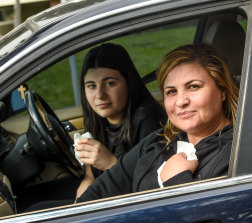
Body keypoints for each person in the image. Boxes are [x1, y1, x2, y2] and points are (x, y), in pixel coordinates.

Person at [76, 43, 239, 203]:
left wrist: (175, 182)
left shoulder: (237, 153)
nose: (181, 101)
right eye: (171, 91)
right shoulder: (158, 141)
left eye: (193, 86)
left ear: (222, 91)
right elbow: (97, 194)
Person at [75, 43, 166, 198]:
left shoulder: (149, 121)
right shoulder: (97, 117)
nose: (99, 95)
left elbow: (150, 189)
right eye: (91, 86)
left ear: (128, 83)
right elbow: (90, 176)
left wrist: (110, 163)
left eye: (109, 83)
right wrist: (77, 207)